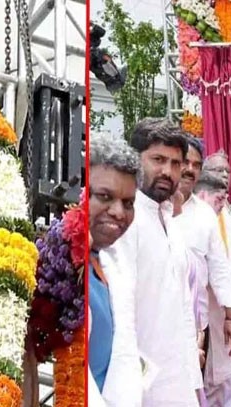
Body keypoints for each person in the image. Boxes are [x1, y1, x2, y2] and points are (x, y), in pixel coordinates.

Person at [112, 118, 201, 406]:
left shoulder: (169, 221)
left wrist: (193, 376)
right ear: (135, 160)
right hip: (143, 385)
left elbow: (183, 304)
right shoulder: (125, 222)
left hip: (179, 378)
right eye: (158, 160)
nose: (167, 171)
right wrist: (133, 387)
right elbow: (121, 314)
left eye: (175, 163)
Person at [175, 138, 231, 407]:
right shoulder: (154, 208)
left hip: (196, 326)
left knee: (197, 390)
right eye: (185, 162)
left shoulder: (205, 214)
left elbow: (219, 267)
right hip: (160, 322)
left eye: (196, 165)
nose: (190, 169)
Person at [88, 133, 143, 407]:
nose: (119, 213)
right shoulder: (59, 267)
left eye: (128, 203)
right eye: (104, 197)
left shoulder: (113, 263)